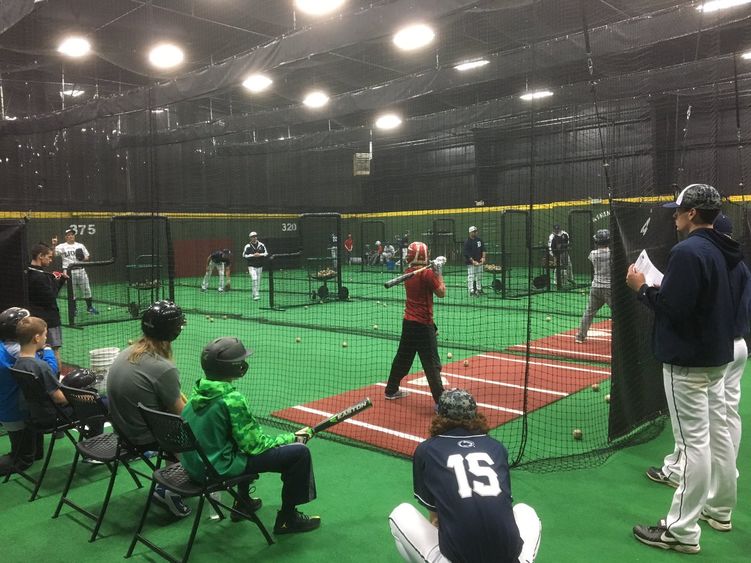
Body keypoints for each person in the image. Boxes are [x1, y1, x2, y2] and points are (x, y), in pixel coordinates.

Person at [626, 184, 738, 554]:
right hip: (715, 356)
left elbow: (675, 310)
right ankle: (719, 509)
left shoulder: (688, 250)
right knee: (716, 436)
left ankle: (682, 530)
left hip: (688, 362)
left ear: (692, 214)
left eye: (678, 210)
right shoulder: (722, 247)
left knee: (694, 446)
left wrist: (643, 288)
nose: (673, 215)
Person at [645, 213, 750, 496]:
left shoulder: (700, 254)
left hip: (706, 350)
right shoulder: (734, 259)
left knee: (695, 439)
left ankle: (682, 521)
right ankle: (722, 495)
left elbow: (680, 309)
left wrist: (646, 290)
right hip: (733, 346)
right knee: (725, 421)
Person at [181, 336, 321, 534]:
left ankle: (243, 503)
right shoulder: (231, 399)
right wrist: (293, 437)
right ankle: (288, 519)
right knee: (299, 453)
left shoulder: (199, 389)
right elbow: (255, 445)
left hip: (194, 466)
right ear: (232, 367)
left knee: (236, 443)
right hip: (217, 469)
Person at [389, 389, 542, 563]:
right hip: (510, 559)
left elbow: (435, 519)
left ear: (438, 415)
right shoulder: (496, 447)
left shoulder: (427, 449)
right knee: (524, 510)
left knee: (400, 512)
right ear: (475, 415)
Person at [106, 300, 191, 518]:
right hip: (142, 438)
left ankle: (172, 478)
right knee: (194, 429)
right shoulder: (163, 368)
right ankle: (169, 488)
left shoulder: (127, 352)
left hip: (121, 432)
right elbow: (183, 415)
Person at [384, 242, 446, 405]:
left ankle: (391, 389)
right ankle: (441, 402)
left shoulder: (409, 272)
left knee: (403, 358)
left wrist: (432, 269)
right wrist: (439, 272)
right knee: (432, 364)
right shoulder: (426, 274)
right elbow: (441, 293)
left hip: (409, 323)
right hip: (423, 325)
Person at [0, 307, 58, 476]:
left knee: (35, 452)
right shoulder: (19, 353)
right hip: (16, 410)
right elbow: (49, 371)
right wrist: (47, 350)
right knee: (24, 458)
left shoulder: (4, 346)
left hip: (11, 406)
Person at [27, 242, 68, 367]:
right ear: (40, 256)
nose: (50, 260)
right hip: (49, 320)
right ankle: (55, 382)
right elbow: (50, 297)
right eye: (49, 257)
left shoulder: (27, 272)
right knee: (53, 351)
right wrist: (60, 281)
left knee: (35, 351)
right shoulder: (40, 277)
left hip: (34, 319)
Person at [575, 229, 611, 343]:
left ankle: (580, 337)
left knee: (589, 312)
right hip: (609, 288)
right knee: (619, 314)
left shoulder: (593, 254)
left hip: (595, 287)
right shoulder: (611, 253)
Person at [51, 228, 98, 315]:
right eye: (68, 235)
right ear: (66, 237)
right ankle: (74, 309)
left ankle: (90, 308)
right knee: (72, 291)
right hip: (69, 272)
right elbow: (53, 255)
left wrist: (83, 258)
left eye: (72, 234)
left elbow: (87, 256)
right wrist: (54, 245)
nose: (70, 236)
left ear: (74, 236)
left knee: (87, 289)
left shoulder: (80, 245)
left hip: (81, 270)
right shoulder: (61, 246)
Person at [242, 232, 268, 301]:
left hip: (260, 266)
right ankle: (256, 294)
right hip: (251, 266)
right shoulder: (247, 246)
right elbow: (244, 255)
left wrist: (259, 254)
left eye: (255, 236)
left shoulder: (261, 245)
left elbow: (266, 253)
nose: (254, 238)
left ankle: (255, 293)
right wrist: (253, 255)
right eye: (252, 237)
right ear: (250, 238)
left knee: (258, 280)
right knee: (254, 278)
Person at [548, 224, 573, 288]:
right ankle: (556, 282)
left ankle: (570, 280)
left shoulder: (565, 234)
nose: (557, 230)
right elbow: (551, 246)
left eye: (558, 229)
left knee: (569, 266)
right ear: (554, 229)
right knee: (558, 268)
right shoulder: (551, 236)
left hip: (564, 252)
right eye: (555, 229)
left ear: (560, 229)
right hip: (556, 254)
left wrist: (562, 246)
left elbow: (567, 243)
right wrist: (553, 256)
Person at [464, 225, 486, 296]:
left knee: (479, 276)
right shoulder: (467, 242)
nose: (475, 233)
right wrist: (473, 261)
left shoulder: (479, 240)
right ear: (470, 232)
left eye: (476, 231)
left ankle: (479, 289)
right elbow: (466, 253)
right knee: (471, 276)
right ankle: (471, 290)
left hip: (479, 262)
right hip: (471, 263)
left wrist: (483, 257)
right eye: (474, 232)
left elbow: (483, 249)